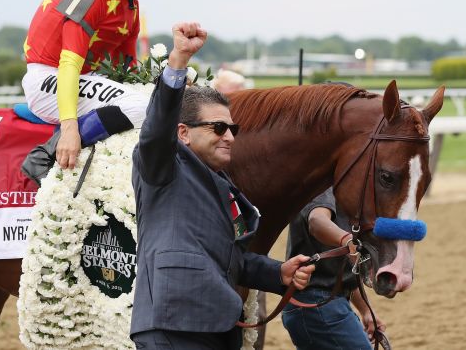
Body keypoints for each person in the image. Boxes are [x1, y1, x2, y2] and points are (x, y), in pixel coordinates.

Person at [130, 22, 316, 350]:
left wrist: (279, 273)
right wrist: (178, 62)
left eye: (232, 128)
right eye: (218, 128)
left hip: (216, 327)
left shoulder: (224, 184)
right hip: (174, 326)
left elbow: (233, 260)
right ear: (183, 133)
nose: (229, 137)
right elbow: (157, 127)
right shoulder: (163, 164)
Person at [20, 0, 183, 180]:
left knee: (155, 101)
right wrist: (70, 127)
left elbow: (127, 71)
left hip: (82, 79)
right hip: (50, 78)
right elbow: (69, 63)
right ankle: (46, 156)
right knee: (146, 108)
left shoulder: (130, 4)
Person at [282, 188, 387, 349]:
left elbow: (342, 270)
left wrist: (366, 311)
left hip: (324, 304)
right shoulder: (322, 183)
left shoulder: (343, 190)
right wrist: (347, 240)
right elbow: (317, 221)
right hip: (317, 305)